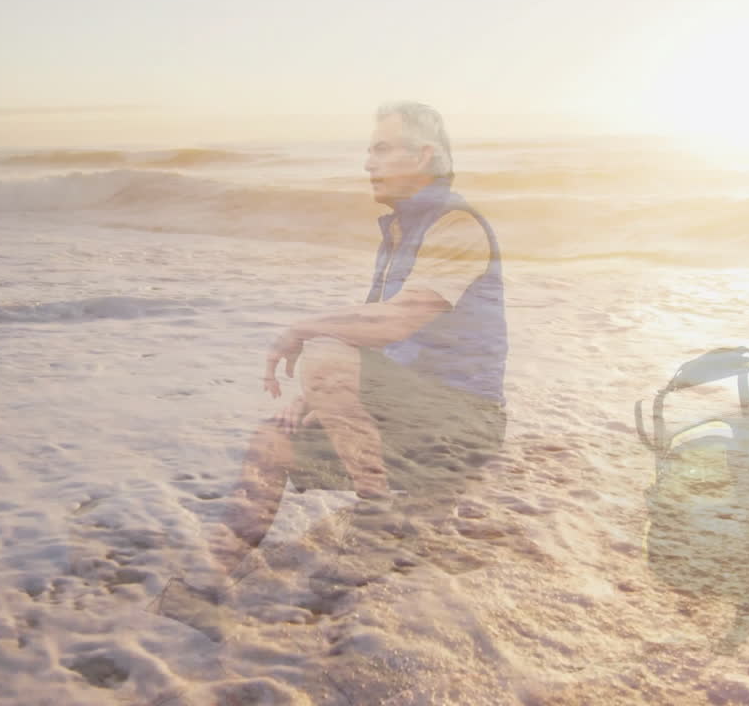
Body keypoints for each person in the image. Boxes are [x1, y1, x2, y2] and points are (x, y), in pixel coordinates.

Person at [155, 102, 508, 632]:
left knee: (320, 348)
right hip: (405, 410)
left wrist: (301, 330)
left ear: (424, 154)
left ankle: (378, 507)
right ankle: (203, 586)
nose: (369, 162)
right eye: (369, 149)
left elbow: (395, 324)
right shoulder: (397, 234)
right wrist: (310, 396)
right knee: (272, 440)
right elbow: (367, 342)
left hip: (462, 423)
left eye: (383, 148)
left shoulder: (456, 226)